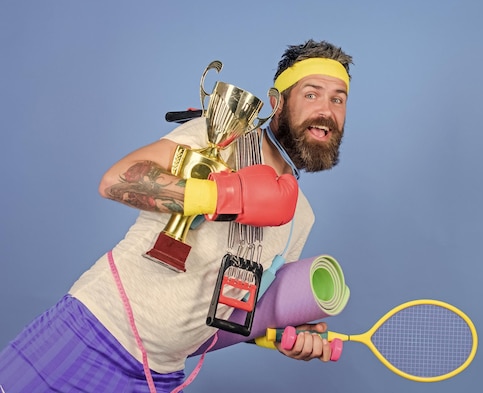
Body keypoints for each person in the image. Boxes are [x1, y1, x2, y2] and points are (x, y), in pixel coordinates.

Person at [0, 39, 352, 392]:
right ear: (277, 103)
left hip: (161, 375)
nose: (326, 110)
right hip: (92, 332)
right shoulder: (221, 137)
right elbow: (115, 180)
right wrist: (223, 194)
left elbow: (229, 316)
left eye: (338, 98)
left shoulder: (300, 218)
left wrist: (276, 335)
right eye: (312, 94)